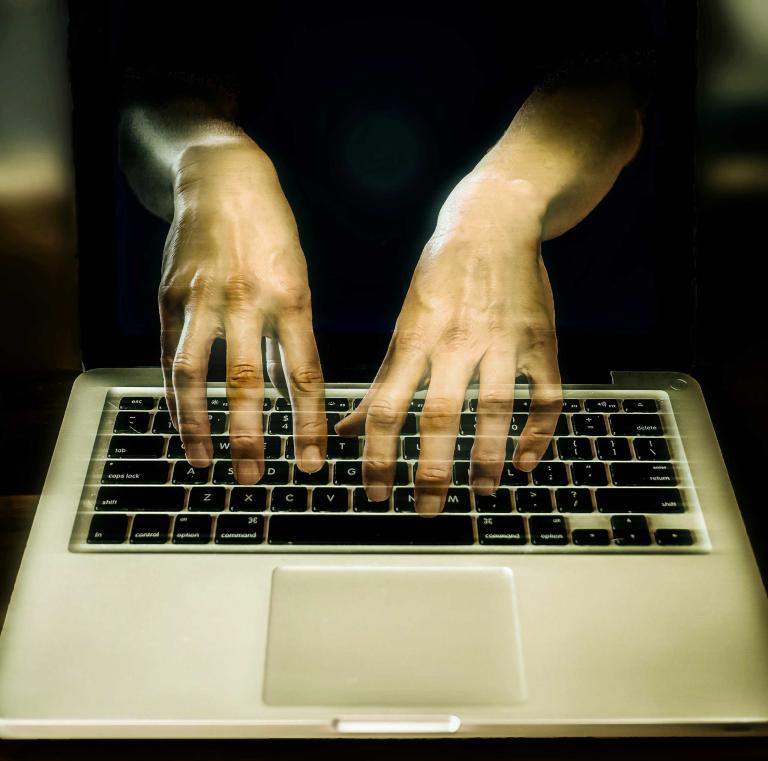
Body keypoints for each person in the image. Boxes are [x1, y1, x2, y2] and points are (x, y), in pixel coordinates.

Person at [116, 2, 653, 516]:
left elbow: (614, 77)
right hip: (220, 337)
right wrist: (204, 156)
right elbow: (147, 89)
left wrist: (510, 192)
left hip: (565, 326)